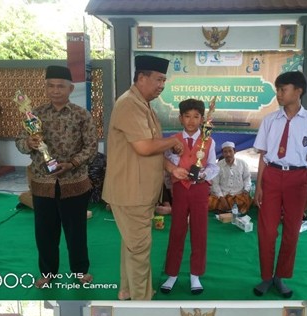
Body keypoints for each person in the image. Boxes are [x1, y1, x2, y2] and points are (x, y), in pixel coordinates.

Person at [103, 56, 184, 301]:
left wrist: (171, 168)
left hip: (139, 191)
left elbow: (151, 148)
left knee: (132, 245)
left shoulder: (143, 104)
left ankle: (127, 290)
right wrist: (173, 140)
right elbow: (145, 147)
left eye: (164, 81)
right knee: (139, 248)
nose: (162, 85)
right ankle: (141, 301)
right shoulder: (129, 104)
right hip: (132, 192)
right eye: (158, 80)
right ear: (141, 78)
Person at [15, 66, 98, 288]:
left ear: (70, 89)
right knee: (44, 233)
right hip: (43, 183)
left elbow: (91, 147)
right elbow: (20, 142)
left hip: (74, 182)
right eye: (50, 86)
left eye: (60, 86)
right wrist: (29, 143)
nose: (55, 90)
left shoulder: (81, 115)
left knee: (76, 232)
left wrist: (72, 164)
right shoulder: (34, 115)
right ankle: (47, 273)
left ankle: (80, 271)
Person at [252, 71, 307, 298]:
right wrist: (259, 187)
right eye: (277, 90)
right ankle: (266, 276)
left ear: (298, 91)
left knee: (292, 231)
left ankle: (280, 276)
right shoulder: (270, 120)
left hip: (298, 179)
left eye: (283, 89)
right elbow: (263, 155)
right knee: (266, 230)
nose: (279, 94)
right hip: (272, 175)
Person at [160, 99, 218, 295]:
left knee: (199, 230)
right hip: (180, 189)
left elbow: (213, 166)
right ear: (180, 118)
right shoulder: (173, 140)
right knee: (177, 229)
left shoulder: (209, 140)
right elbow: (166, 162)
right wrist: (175, 162)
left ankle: (195, 275)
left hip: (200, 189)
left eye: (196, 117)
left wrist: (204, 174)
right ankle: (172, 274)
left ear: (202, 119)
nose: (191, 121)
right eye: (187, 116)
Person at [209, 141, 252, 214]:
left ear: (235, 151)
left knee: (244, 202)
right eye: (225, 152)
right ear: (222, 153)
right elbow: (215, 184)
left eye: (230, 151)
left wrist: (246, 190)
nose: (228, 154)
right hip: (222, 195)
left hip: (238, 195)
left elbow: (247, 178)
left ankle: (226, 210)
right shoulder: (217, 166)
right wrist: (222, 198)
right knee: (209, 202)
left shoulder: (243, 164)